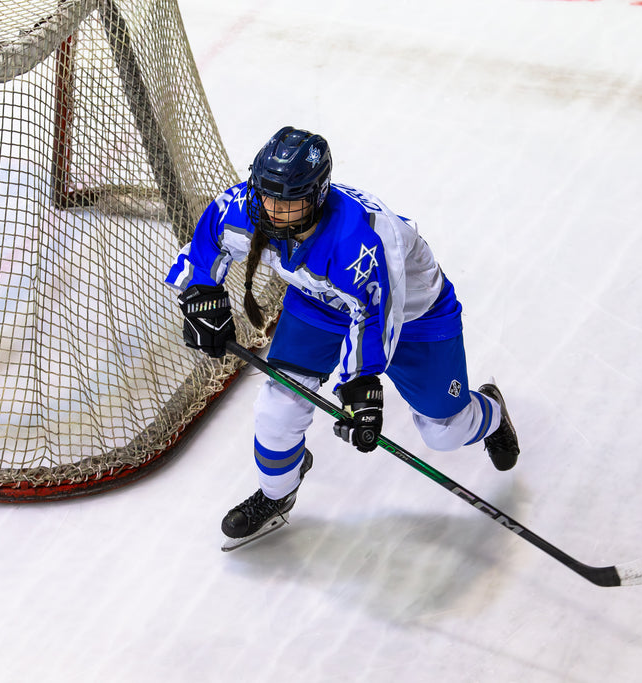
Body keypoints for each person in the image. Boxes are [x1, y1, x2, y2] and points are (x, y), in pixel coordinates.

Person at [166, 126, 520, 550]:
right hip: (319, 304)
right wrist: (201, 295)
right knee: (276, 408)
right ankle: (278, 494)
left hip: (414, 316)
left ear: (317, 196)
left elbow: (375, 316)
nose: (273, 210)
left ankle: (491, 411)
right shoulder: (249, 203)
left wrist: (360, 389)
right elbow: (206, 248)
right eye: (267, 195)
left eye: (289, 200)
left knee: (444, 432)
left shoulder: (362, 240)